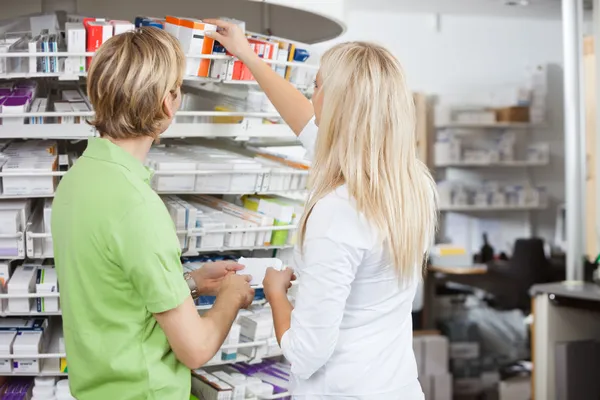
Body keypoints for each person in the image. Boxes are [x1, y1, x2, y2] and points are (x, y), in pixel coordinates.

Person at [206, 20, 438, 399]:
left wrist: (276, 291)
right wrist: (247, 54)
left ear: (338, 106)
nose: (311, 98)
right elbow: (304, 118)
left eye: (316, 87)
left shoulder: (337, 213)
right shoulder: (412, 185)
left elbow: (305, 354)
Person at [51, 27, 255, 400]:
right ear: (167, 103)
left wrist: (189, 283)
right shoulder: (138, 207)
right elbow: (194, 348)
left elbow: (116, 292)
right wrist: (231, 295)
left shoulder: (76, 180)